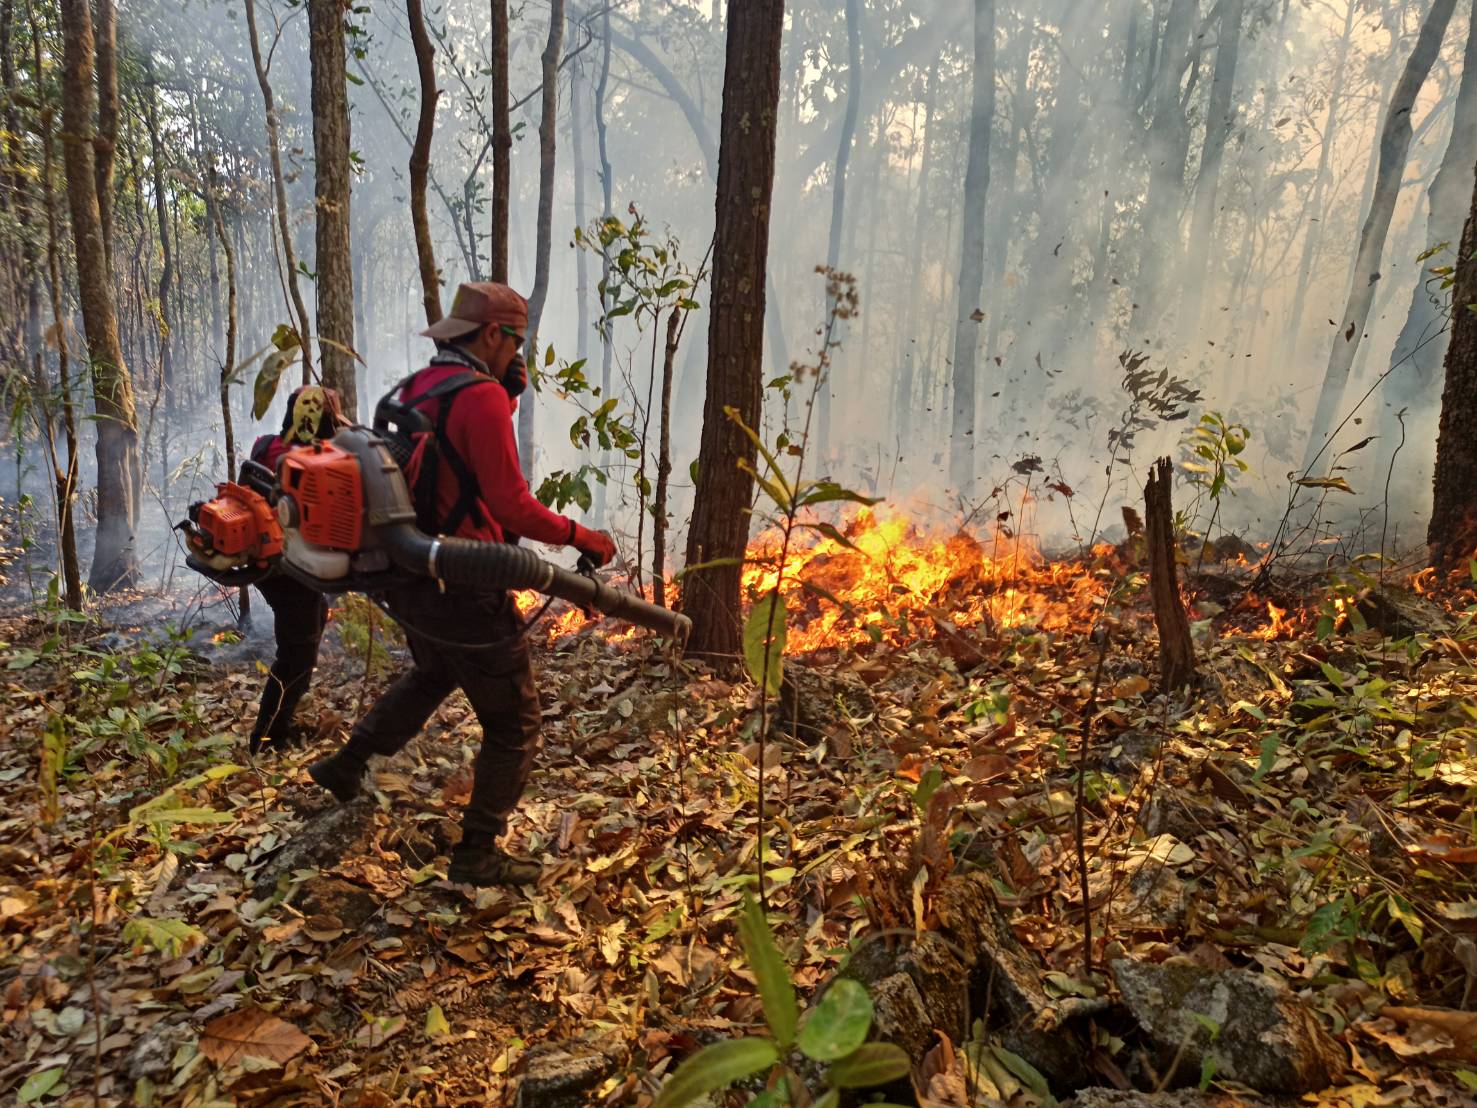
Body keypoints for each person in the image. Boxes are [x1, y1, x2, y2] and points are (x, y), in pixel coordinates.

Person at [307, 281, 616, 887]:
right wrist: (584, 536)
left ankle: (348, 764)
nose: (518, 353)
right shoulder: (477, 398)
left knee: (433, 673)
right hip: (466, 583)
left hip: (409, 579)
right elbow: (512, 504)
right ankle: (477, 852)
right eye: (515, 342)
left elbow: (445, 467)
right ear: (494, 335)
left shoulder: (415, 387)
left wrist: (505, 396)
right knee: (514, 722)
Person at [247, 385, 348, 755]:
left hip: (263, 562)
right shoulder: (319, 460)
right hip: (293, 568)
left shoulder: (265, 445)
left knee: (310, 624)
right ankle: (267, 739)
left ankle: (279, 725)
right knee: (297, 655)